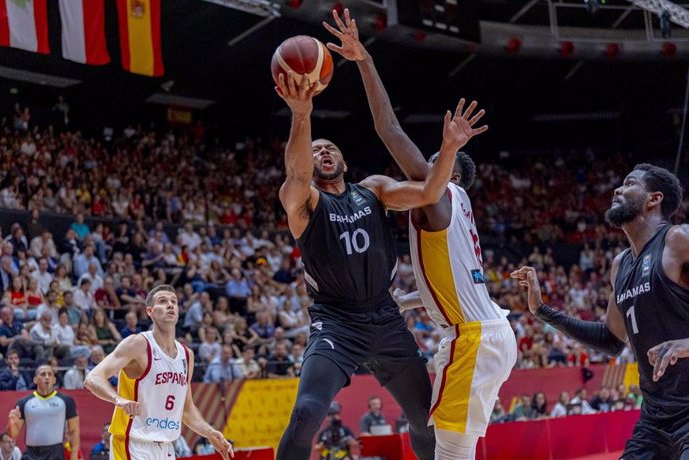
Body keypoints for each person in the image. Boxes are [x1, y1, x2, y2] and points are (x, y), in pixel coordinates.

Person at [273, 22, 477, 458]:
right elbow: (295, 174)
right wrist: (302, 114)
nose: (322, 153)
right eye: (315, 150)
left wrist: (450, 149)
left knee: (425, 418)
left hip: (385, 319)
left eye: (329, 148)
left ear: (344, 159)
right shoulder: (304, 202)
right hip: (336, 322)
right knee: (307, 413)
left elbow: (427, 192)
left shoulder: (376, 189)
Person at [324, 9, 516, 460]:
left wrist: (364, 61)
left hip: (471, 338)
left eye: (429, 163)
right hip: (490, 331)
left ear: (441, 169)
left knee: (448, 453)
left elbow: (388, 128)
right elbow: (450, 282)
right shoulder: (460, 206)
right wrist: (407, 301)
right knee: (452, 448)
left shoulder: (438, 195)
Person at [510, 163, 689, 458]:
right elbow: (611, 340)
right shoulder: (621, 264)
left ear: (653, 199)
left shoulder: (678, 241)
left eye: (629, 183)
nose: (617, 189)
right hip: (655, 420)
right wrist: (543, 311)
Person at [83, 284, 233, 460]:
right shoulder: (138, 344)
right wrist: (118, 399)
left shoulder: (187, 355)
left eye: (174, 302)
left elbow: (186, 409)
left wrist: (209, 432)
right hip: (133, 443)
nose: (170, 305)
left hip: (166, 447)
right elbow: (92, 378)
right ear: (150, 311)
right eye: (163, 301)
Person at [7, 364, 80, 460]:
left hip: (56, 454)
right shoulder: (24, 403)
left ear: (54, 380)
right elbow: (13, 434)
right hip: (31, 454)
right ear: (35, 380)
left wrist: (74, 456)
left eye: (50, 374)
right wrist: (11, 422)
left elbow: (74, 431)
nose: (47, 377)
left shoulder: (66, 401)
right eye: (43, 374)